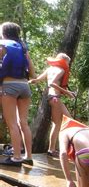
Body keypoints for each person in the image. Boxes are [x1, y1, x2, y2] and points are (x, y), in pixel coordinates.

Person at [0, 22, 35, 166]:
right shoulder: (23, 47)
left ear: (4, 33)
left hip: (9, 86)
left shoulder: (3, 45)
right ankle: (28, 156)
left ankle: (16, 157)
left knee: (12, 123)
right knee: (23, 123)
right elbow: (32, 73)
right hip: (25, 86)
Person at [29, 53, 75, 157]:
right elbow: (52, 83)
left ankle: (52, 149)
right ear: (64, 61)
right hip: (55, 98)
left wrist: (29, 81)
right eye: (68, 63)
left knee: (61, 123)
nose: (68, 65)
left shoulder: (50, 69)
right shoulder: (61, 70)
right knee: (65, 122)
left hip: (51, 97)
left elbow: (37, 80)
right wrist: (68, 93)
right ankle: (54, 149)